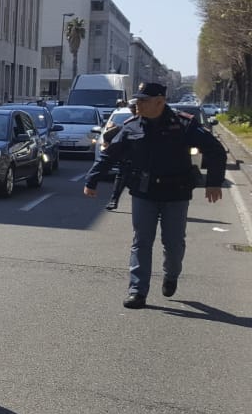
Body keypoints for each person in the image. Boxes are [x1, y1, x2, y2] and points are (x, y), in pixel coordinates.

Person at [83, 82, 227, 309]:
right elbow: (109, 156)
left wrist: (214, 182)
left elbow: (215, 150)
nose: (137, 104)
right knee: (141, 241)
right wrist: (92, 180)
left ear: (160, 101)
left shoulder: (183, 125)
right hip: (144, 192)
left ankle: (171, 275)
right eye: (137, 100)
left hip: (176, 193)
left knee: (173, 243)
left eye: (143, 100)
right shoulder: (131, 126)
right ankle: (137, 291)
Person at [102, 101, 138, 211]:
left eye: (134, 109)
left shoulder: (151, 123)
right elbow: (108, 136)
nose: (134, 111)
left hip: (144, 162)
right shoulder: (128, 124)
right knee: (120, 179)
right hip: (127, 159)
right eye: (132, 109)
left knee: (144, 185)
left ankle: (151, 207)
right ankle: (114, 201)